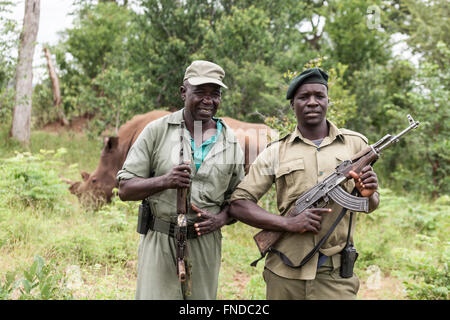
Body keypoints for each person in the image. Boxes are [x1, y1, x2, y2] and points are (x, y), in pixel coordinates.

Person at [228, 67, 380, 300]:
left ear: (328, 100)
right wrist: (287, 223)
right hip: (285, 275)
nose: (312, 102)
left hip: (335, 277)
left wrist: (368, 194)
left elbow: (369, 205)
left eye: (319, 96)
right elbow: (239, 204)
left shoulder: (355, 145)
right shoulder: (275, 151)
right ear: (292, 104)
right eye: (303, 97)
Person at [116, 60, 245, 300]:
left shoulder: (231, 142)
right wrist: (164, 181)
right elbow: (124, 188)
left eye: (215, 94)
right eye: (200, 93)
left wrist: (220, 219)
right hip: (160, 238)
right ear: (183, 92)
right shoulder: (156, 131)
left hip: (205, 242)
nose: (208, 100)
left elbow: (238, 200)